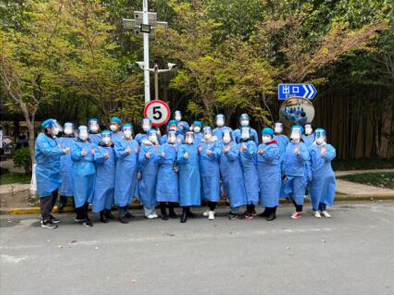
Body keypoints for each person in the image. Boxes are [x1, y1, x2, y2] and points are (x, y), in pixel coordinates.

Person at [35, 119, 69, 229]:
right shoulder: (41, 139)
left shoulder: (52, 138)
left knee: (54, 194)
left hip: (53, 171)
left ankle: (48, 215)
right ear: (47, 128)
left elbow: (55, 149)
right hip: (45, 172)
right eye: (53, 127)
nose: (55, 129)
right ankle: (45, 220)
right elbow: (47, 151)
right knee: (46, 196)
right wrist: (62, 151)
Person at [71, 126, 97, 227]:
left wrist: (97, 154)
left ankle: (79, 215)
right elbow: (73, 155)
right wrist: (80, 154)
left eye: (85, 132)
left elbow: (97, 156)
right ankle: (85, 217)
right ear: (78, 133)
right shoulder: (75, 144)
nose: (83, 134)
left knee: (87, 194)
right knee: (81, 194)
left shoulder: (92, 144)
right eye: (81, 132)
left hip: (91, 171)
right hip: (80, 172)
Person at [218, 129, 247, 219]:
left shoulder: (234, 145)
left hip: (234, 172)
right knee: (229, 192)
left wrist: (227, 152)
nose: (226, 138)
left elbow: (233, 157)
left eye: (228, 136)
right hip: (225, 172)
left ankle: (235, 211)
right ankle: (232, 209)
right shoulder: (220, 145)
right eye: (224, 136)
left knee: (234, 191)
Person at [308, 128, 336, 218]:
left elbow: (331, 156)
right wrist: (309, 173)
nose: (319, 138)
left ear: (324, 137)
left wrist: (324, 154)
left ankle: (323, 209)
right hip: (315, 174)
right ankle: (315, 209)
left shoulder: (328, 147)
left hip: (326, 174)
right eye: (317, 136)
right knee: (315, 192)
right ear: (314, 137)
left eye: (321, 136)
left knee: (325, 192)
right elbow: (308, 162)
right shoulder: (310, 148)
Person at [114, 124, 139, 223]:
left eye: (129, 130)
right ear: (122, 131)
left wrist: (139, 170)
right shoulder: (119, 141)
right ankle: (121, 214)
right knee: (122, 190)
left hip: (133, 171)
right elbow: (118, 154)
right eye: (125, 130)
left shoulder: (135, 143)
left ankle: (126, 211)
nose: (127, 132)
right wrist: (125, 152)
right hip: (123, 171)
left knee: (130, 191)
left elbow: (138, 157)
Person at [283, 125, 310, 219]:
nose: (294, 135)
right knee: (287, 191)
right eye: (293, 133)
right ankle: (297, 207)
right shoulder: (289, 145)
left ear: (300, 135)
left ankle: (299, 210)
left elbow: (306, 158)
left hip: (299, 173)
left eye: (296, 133)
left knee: (298, 193)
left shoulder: (302, 146)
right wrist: (284, 171)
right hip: (289, 172)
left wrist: (299, 153)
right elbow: (285, 158)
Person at [257, 127, 281, 221]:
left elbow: (270, 157)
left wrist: (263, 153)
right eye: (263, 135)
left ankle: (272, 212)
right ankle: (266, 210)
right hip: (263, 173)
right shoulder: (261, 145)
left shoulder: (274, 146)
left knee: (272, 193)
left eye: (267, 136)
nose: (265, 137)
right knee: (265, 193)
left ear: (271, 137)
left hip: (272, 173)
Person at [177, 131, 201, 223]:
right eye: (188, 136)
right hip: (185, 172)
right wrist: (184, 157)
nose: (189, 137)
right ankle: (184, 213)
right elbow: (179, 159)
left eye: (191, 136)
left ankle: (189, 210)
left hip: (195, 172)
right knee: (185, 192)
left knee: (192, 191)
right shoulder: (182, 147)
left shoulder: (195, 147)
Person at [92, 130, 116, 223]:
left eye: (108, 136)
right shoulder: (98, 148)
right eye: (104, 136)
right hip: (102, 176)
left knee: (110, 194)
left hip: (111, 174)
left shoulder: (112, 148)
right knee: (102, 194)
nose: (106, 138)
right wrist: (103, 157)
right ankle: (102, 214)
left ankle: (108, 211)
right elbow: (97, 159)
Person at [156, 130, 179, 220]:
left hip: (173, 172)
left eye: (174, 135)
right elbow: (157, 161)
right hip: (163, 172)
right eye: (170, 135)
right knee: (163, 192)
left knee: (172, 192)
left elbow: (179, 159)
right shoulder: (162, 147)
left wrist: (178, 167)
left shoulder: (177, 147)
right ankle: (163, 212)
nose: (172, 137)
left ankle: (171, 211)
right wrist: (161, 156)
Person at [199, 126, 221, 220]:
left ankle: (212, 211)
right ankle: (209, 208)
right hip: (204, 170)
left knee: (213, 189)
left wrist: (211, 153)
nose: (207, 134)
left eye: (209, 132)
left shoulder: (216, 142)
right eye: (205, 133)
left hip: (213, 170)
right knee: (206, 190)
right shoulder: (201, 143)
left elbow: (218, 152)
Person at [138, 129, 160, 219]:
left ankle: (153, 210)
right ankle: (148, 211)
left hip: (157, 173)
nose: (152, 136)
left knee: (154, 192)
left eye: (154, 135)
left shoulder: (158, 146)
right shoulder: (144, 147)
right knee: (147, 191)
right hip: (148, 172)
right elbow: (140, 160)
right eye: (150, 135)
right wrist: (145, 157)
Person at [239, 127, 259, 219]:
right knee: (247, 190)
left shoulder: (251, 143)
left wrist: (245, 149)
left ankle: (250, 211)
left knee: (251, 189)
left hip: (251, 169)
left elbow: (251, 154)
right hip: (244, 169)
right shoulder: (241, 143)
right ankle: (251, 210)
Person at [57, 122, 75, 211]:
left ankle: (75, 201)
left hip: (74, 166)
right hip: (62, 165)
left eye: (70, 128)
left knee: (74, 183)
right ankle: (62, 200)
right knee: (63, 183)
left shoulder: (76, 140)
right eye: (66, 128)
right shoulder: (59, 140)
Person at [273, 121, 290, 199]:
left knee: (285, 178)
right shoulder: (271, 137)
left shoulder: (285, 138)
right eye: (276, 126)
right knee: (276, 179)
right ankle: (276, 195)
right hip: (274, 161)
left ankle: (285, 195)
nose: (278, 128)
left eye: (280, 126)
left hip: (284, 161)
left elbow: (288, 149)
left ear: (282, 128)